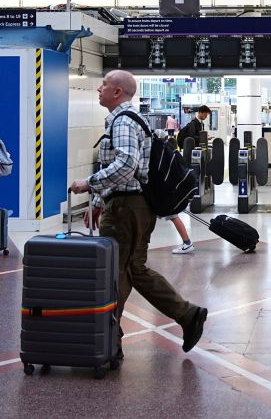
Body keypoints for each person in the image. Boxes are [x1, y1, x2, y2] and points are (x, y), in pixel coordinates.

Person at [70, 70, 208, 359]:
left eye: (104, 84)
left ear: (117, 92)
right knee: (133, 269)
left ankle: (109, 341)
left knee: (116, 271)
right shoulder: (131, 120)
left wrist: (89, 185)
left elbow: (126, 165)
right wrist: (98, 200)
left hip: (126, 208)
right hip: (132, 205)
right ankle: (186, 315)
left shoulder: (122, 122)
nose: (99, 88)